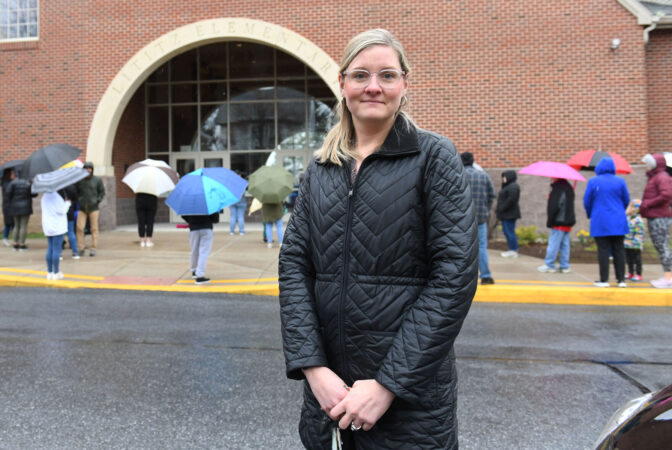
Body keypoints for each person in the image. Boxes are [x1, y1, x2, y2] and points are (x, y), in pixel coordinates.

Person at [278, 29, 478, 449]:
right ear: (343, 84)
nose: (373, 86)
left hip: (410, 401)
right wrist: (313, 369)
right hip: (329, 396)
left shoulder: (433, 157)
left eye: (387, 75)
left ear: (404, 85)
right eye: (361, 75)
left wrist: (388, 384)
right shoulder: (321, 167)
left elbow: (454, 276)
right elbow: (294, 265)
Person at [583, 157, 630, 288]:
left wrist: (590, 214)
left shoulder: (593, 181)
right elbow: (626, 199)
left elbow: (587, 201)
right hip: (618, 220)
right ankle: (621, 280)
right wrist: (620, 211)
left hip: (600, 220)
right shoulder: (620, 181)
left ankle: (604, 280)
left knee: (603, 250)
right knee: (619, 250)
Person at [461, 151, 496, 284]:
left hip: (462, 218)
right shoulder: (483, 175)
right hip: (481, 217)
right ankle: (486, 275)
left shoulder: (458, 174)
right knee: (481, 247)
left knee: (462, 247)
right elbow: (492, 195)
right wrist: (485, 209)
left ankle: (464, 278)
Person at [640, 153, 672, 289]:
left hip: (659, 217)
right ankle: (668, 276)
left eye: (648, 164)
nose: (646, 166)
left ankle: (669, 278)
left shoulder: (661, 177)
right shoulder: (657, 177)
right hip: (656, 215)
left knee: (662, 246)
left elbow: (667, 194)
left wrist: (647, 204)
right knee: (662, 246)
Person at [537, 178, 576, 274]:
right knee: (565, 245)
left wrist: (550, 220)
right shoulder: (568, 188)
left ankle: (550, 264)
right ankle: (564, 265)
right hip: (568, 221)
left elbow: (555, 206)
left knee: (554, 243)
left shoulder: (558, 189)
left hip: (559, 221)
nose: (551, 179)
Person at [76, 161, 105, 256]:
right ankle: (80, 248)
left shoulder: (97, 180)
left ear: (92, 170)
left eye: (90, 168)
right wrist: (79, 200)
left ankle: (93, 248)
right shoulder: (80, 180)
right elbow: (76, 192)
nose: (88, 170)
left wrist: (98, 200)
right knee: (80, 228)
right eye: (86, 168)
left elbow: (102, 192)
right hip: (82, 207)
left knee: (94, 228)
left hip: (94, 208)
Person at [182, 212, 219, 285]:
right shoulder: (209, 202)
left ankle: (194, 270)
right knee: (203, 253)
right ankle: (200, 276)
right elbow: (215, 219)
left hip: (193, 228)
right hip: (206, 228)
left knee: (194, 251)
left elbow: (184, 215)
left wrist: (190, 220)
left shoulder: (190, 203)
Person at [41, 191, 70, 280]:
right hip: (57, 226)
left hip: (48, 226)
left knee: (50, 248)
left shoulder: (44, 197)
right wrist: (67, 203)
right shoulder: (56, 197)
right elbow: (62, 211)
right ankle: (56, 272)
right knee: (57, 249)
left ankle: (49, 272)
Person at [6, 172, 36, 251]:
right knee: (23, 225)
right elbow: (34, 194)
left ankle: (15, 243)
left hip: (15, 206)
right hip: (25, 206)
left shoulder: (13, 183)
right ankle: (22, 244)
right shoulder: (28, 183)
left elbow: (8, 194)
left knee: (16, 225)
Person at [496, 170, 521, 258]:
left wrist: (502, 208)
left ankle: (514, 250)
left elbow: (512, 199)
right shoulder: (508, 186)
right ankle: (512, 249)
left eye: (505, 177)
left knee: (509, 232)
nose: (503, 179)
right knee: (507, 232)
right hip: (506, 214)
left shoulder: (513, 186)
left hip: (509, 214)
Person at [624, 199, 645, 282]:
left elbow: (639, 233)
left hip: (635, 244)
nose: (628, 208)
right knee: (629, 259)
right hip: (627, 243)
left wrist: (636, 243)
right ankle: (630, 272)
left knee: (637, 259)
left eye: (630, 206)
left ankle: (638, 274)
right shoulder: (628, 218)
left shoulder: (638, 220)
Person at [63, 184, 80, 259]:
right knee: (71, 231)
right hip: (70, 211)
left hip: (60, 213)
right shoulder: (72, 187)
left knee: (60, 233)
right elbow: (76, 200)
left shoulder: (58, 188)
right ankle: (75, 252)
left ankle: (59, 253)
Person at [2, 168, 15, 247]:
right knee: (8, 223)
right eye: (12, 173)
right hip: (8, 206)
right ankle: (5, 238)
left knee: (13, 223)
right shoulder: (6, 184)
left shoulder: (10, 183)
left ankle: (15, 239)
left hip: (11, 206)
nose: (14, 175)